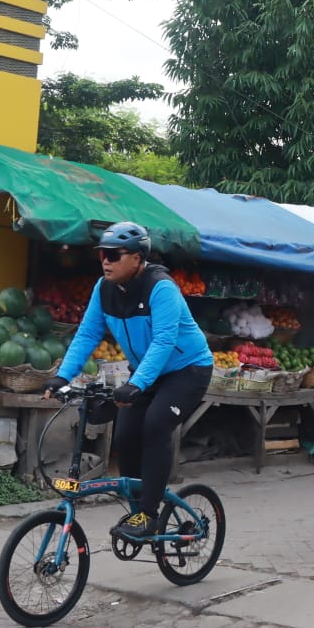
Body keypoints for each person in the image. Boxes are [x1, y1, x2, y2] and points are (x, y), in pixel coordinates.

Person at [48, 221, 214, 542]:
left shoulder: (161, 287)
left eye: (114, 255)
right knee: (124, 436)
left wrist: (137, 384)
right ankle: (138, 510)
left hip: (187, 370)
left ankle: (149, 514)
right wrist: (61, 376)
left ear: (137, 258)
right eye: (102, 255)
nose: (106, 261)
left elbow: (164, 341)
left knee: (154, 425)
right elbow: (87, 334)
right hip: (146, 372)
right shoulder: (103, 289)